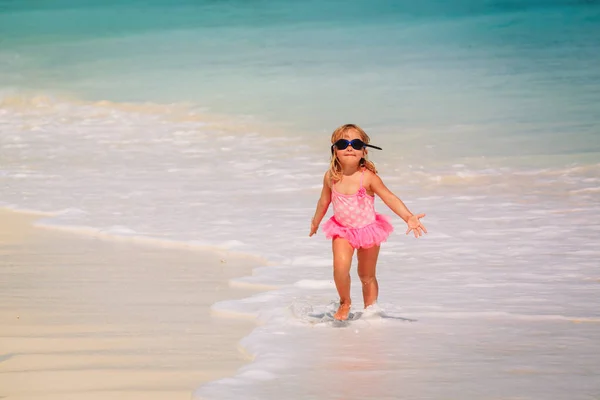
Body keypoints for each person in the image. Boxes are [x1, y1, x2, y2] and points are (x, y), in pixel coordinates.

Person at [309, 123, 427, 321]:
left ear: (364, 152)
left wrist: (408, 217)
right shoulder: (331, 177)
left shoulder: (368, 178)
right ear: (335, 150)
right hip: (342, 230)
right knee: (340, 268)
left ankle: (371, 311)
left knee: (366, 275)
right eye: (343, 143)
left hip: (368, 231)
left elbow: (389, 197)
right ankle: (345, 301)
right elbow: (324, 201)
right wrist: (315, 222)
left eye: (355, 143)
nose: (349, 147)